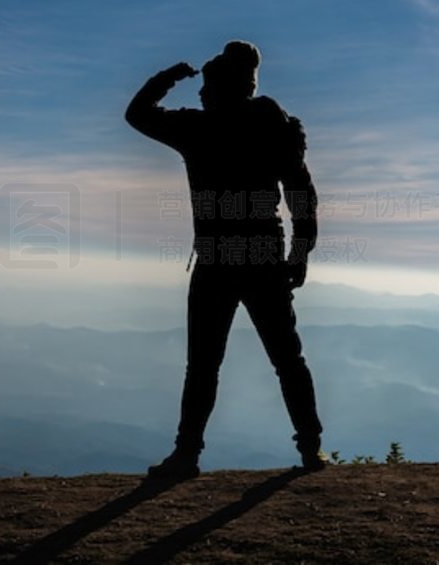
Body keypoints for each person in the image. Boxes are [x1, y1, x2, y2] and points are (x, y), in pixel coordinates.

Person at [125, 40, 325, 479]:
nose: (198, 94)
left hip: (217, 257)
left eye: (204, 87)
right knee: (287, 358)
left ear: (218, 87)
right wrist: (301, 251)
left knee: (204, 363)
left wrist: (169, 76)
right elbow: (300, 192)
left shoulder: (197, 128)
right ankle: (311, 449)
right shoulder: (273, 125)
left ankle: (186, 455)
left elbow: (137, 114)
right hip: (263, 254)